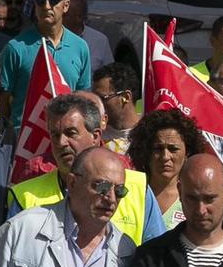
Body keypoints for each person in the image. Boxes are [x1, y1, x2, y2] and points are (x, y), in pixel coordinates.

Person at [0, 146, 137, 267]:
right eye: (101, 187)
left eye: (120, 190)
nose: (111, 198)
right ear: (72, 182)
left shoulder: (125, 252)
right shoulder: (23, 230)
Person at [8, 94, 163, 244]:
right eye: (55, 135)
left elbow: (156, 257)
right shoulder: (25, 196)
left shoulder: (137, 188)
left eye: (71, 133)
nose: (61, 142)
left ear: (95, 136)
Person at [127, 109, 208, 230]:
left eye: (173, 149)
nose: (165, 157)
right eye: (158, 149)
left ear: (188, 152)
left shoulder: (195, 198)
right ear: (145, 151)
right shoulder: (130, 192)